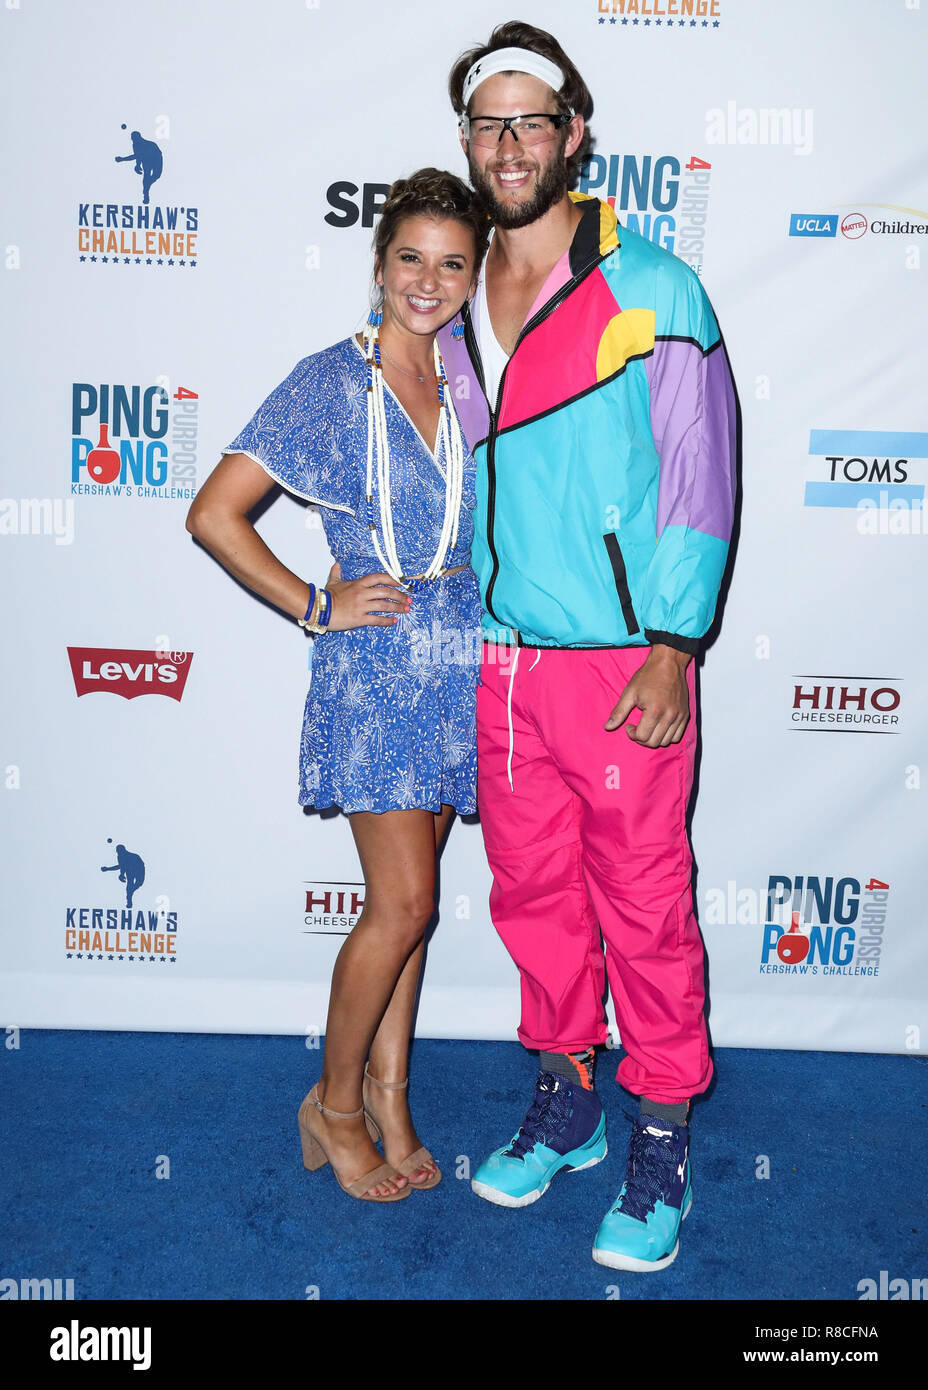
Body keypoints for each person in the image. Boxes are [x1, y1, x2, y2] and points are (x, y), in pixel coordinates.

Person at [438, 22, 738, 1268]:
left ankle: (658, 1132)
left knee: (645, 906)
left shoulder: (653, 284)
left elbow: (697, 476)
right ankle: (566, 1098)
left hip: (623, 660)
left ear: (574, 136)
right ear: (467, 141)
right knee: (536, 900)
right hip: (501, 665)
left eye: (530, 122)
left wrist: (674, 645)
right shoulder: (449, 293)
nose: (509, 146)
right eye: (486, 124)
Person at [186, 169, 487, 1202]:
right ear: (377, 264)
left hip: (460, 658)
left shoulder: (472, 381)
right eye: (411, 257)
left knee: (418, 905)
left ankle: (393, 1093)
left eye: (453, 262)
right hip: (378, 668)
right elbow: (214, 513)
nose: (429, 279)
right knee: (399, 902)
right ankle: (335, 1103)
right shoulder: (331, 380)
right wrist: (315, 605)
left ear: (473, 275)